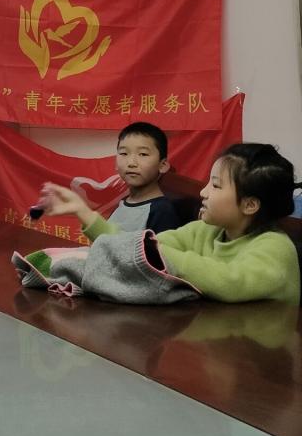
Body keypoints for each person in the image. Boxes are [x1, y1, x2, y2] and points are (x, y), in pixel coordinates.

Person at [37, 143, 302, 304]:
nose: (204, 192)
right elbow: (137, 245)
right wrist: (83, 211)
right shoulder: (206, 230)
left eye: (216, 185)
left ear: (250, 205)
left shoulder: (276, 248)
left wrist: (160, 254)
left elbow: (231, 281)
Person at [106, 121, 180, 233]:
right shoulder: (125, 202)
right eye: (124, 153)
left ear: (162, 165)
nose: (131, 163)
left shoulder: (162, 212)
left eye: (143, 154)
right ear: (115, 164)